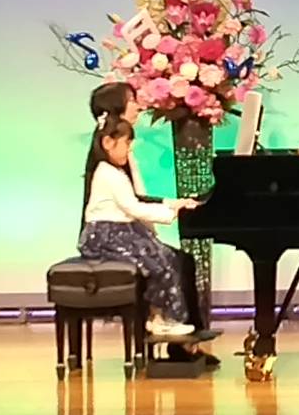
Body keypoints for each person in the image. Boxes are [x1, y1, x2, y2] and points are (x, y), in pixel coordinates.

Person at [90, 82, 217, 364]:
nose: (139, 105)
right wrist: (171, 209)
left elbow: (136, 197)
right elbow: (132, 202)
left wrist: (171, 203)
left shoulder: (119, 148)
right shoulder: (109, 156)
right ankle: (175, 335)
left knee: (181, 260)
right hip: (116, 232)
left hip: (130, 226)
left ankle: (187, 338)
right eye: (132, 100)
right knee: (171, 261)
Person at [81, 113, 196, 336]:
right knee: (156, 260)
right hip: (105, 235)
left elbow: (134, 204)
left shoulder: (115, 172)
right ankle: (160, 317)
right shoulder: (107, 173)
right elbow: (132, 207)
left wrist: (171, 207)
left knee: (166, 256)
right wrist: (171, 213)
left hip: (120, 231)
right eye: (127, 143)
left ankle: (160, 315)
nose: (130, 149)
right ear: (108, 143)